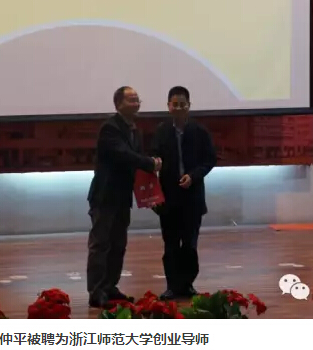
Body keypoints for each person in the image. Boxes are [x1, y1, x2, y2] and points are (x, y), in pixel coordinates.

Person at [86, 86, 161, 308]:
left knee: (118, 244)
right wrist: (149, 163)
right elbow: (123, 154)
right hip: (105, 195)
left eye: (137, 99)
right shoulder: (110, 128)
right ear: (118, 104)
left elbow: (134, 159)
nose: (136, 102)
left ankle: (110, 286)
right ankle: (96, 291)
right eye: (131, 99)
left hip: (122, 196)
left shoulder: (134, 130)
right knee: (101, 244)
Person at [151, 86, 217, 300]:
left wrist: (194, 176)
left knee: (189, 244)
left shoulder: (199, 131)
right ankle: (172, 286)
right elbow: (152, 160)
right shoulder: (161, 131)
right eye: (175, 104)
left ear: (189, 106)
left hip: (192, 197)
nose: (179, 108)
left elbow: (210, 160)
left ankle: (187, 284)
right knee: (170, 244)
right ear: (168, 106)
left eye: (183, 104)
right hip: (168, 198)